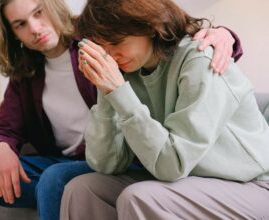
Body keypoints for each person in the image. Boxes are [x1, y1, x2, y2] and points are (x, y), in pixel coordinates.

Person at [0, 0, 242, 219]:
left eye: (38, 12)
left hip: (120, 158)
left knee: (56, 178)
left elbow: (169, 36)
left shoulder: (100, 40)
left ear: (53, 6)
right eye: (20, 24)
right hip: (64, 161)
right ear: (12, 33)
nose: (35, 28)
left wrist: (225, 35)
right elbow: (2, 128)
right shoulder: (27, 70)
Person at [60, 0, 269, 219]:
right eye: (103, 48)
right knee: (82, 190)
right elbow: (106, 164)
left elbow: (172, 165)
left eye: (115, 42)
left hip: (252, 186)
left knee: (139, 197)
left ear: (148, 26)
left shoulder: (200, 59)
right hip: (188, 181)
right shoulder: (128, 69)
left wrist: (119, 92)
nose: (110, 56)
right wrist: (106, 91)